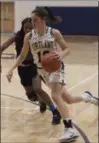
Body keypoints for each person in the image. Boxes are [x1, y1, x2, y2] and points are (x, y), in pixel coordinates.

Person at [6, 7, 98, 143]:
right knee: (68, 99)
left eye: (35, 20)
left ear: (43, 19)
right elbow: (22, 55)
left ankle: (69, 129)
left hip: (56, 68)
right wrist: (11, 69)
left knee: (55, 96)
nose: (33, 23)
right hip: (42, 71)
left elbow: (67, 49)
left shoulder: (54, 33)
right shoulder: (29, 36)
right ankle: (88, 97)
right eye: (32, 20)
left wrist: (60, 55)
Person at [1, 17, 61, 125]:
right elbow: (2, 47)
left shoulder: (37, 36)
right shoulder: (17, 36)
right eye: (26, 28)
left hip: (34, 66)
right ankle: (41, 102)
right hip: (22, 68)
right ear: (22, 28)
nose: (28, 30)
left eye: (30, 28)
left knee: (38, 89)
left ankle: (55, 111)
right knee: (31, 95)